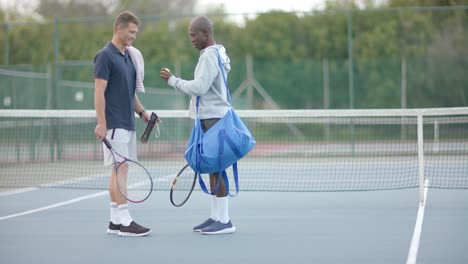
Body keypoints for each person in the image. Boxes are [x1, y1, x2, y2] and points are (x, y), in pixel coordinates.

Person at [160, 16, 235, 235]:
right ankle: (216, 217)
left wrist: (174, 81)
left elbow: (200, 87)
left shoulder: (209, 56)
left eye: (194, 35)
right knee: (212, 168)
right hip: (208, 118)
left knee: (217, 169)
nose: (191, 39)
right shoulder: (214, 54)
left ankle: (225, 221)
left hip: (214, 118)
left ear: (205, 33)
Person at [94, 10, 152, 237]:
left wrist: (142, 113)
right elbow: (99, 91)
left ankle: (114, 221)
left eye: (135, 33)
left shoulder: (128, 56)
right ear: (118, 29)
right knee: (122, 169)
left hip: (127, 122)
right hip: (114, 124)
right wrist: (101, 123)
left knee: (117, 171)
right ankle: (126, 221)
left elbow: (129, 93)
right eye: (131, 32)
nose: (133, 37)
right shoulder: (105, 56)